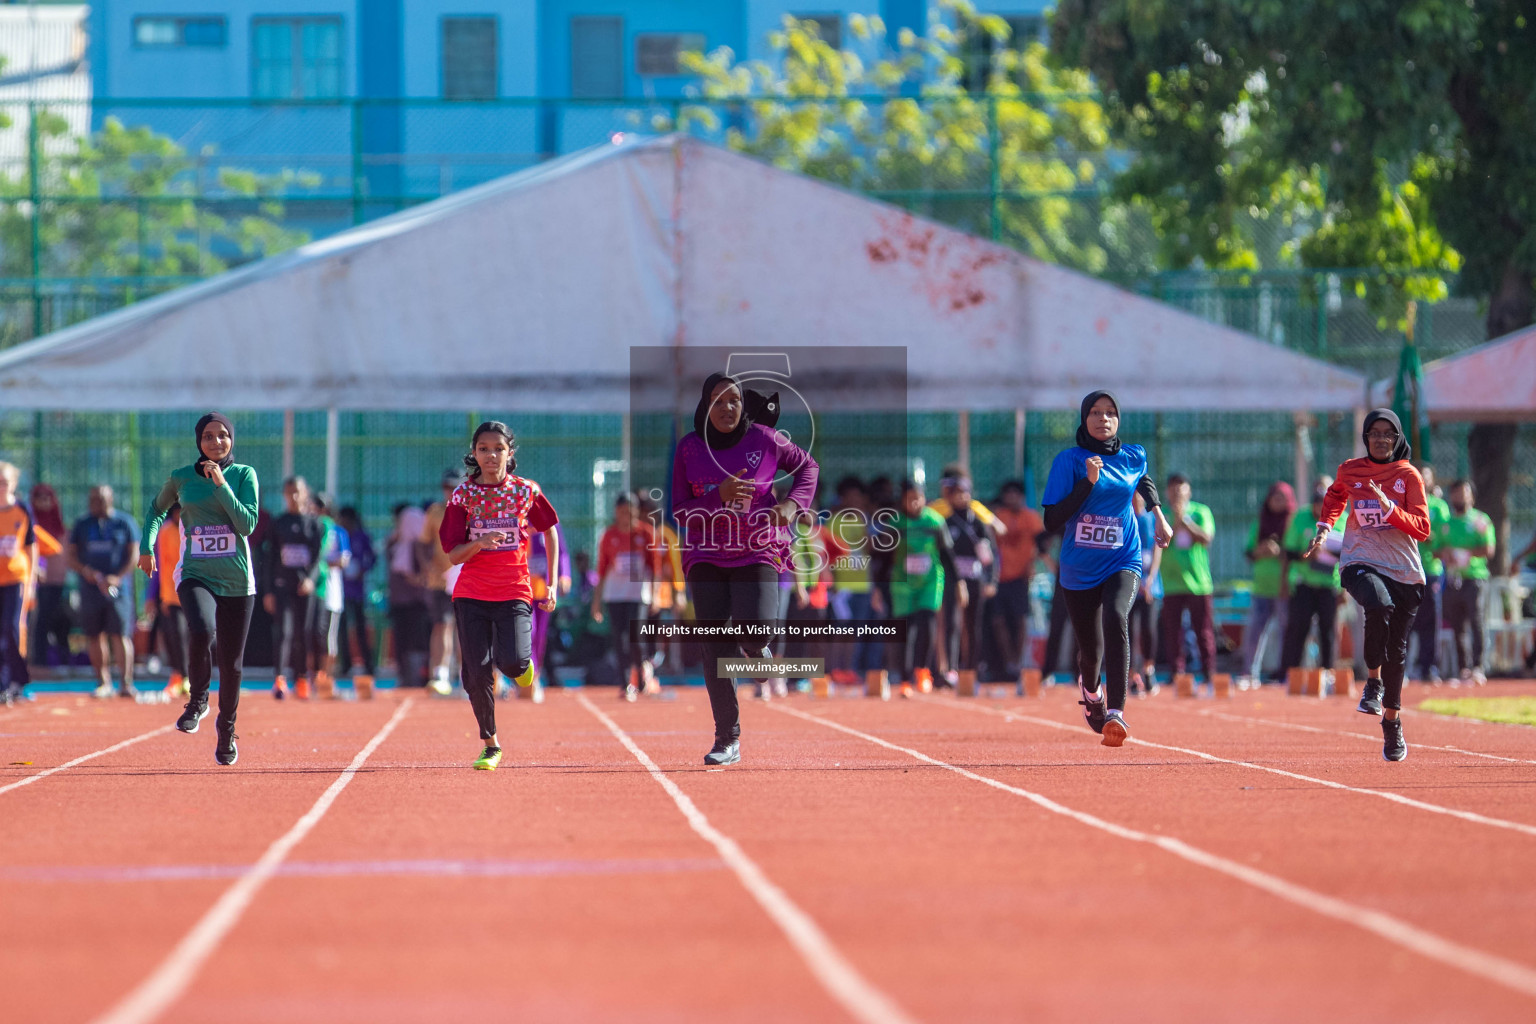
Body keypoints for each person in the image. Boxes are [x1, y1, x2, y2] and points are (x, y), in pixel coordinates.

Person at [671, 372, 819, 766]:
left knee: (756, 630)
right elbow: (679, 510)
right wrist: (716, 497)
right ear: (705, 407)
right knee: (715, 646)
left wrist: (791, 506)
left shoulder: (766, 440)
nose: (726, 408)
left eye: (733, 400)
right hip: (705, 553)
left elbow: (809, 467)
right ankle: (727, 738)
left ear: (743, 405)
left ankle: (757, 648)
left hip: (757, 550)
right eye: (717, 401)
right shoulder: (689, 448)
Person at [1043, 390, 1171, 746]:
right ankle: (1092, 694)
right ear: (1084, 419)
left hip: (1122, 558)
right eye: (1096, 413)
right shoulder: (1068, 461)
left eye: (1110, 413)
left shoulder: (1133, 455)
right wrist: (1087, 484)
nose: (1103, 419)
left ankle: (1116, 711)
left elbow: (1143, 479)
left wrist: (1159, 515)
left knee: (1116, 617)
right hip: (1078, 568)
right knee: (1090, 652)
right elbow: (1052, 521)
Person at [1302, 409, 1430, 762]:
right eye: (1374, 432)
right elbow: (1335, 496)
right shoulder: (1350, 469)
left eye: (1388, 433)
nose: (1380, 438)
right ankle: (1372, 682)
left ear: (1397, 439)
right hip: (1360, 560)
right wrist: (1326, 526)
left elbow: (1422, 528)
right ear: (1365, 437)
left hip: (1404, 571)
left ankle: (1392, 721)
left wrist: (1389, 509)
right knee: (1377, 604)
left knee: (1397, 653)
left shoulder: (1408, 475)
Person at [139, 413, 259, 766]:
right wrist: (147, 547)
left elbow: (246, 524)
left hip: (237, 580)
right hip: (195, 573)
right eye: (208, 436)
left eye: (223, 436)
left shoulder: (243, 474)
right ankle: (198, 700)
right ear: (198, 441)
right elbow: (155, 510)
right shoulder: (181, 478)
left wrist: (221, 485)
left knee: (233, 665)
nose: (216, 442)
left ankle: (227, 728)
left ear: (231, 440)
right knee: (202, 629)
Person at [438, 421, 559, 770]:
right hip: (472, 593)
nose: (491, 455)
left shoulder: (526, 491)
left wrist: (550, 583)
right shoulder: (462, 496)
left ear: (510, 452)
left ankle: (523, 667)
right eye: (484, 449)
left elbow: (550, 531)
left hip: (514, 592)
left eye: (498, 448)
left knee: (513, 663)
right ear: (474, 454)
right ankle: (490, 744)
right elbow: (453, 554)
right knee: (475, 674)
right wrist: (478, 543)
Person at [874, 480, 959, 697]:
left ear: (924, 498)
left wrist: (960, 584)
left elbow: (948, 556)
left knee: (927, 625)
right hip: (902, 585)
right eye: (910, 498)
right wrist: (877, 589)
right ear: (903, 501)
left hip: (930, 581)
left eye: (918, 498)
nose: (915, 502)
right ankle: (904, 679)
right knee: (905, 632)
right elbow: (883, 560)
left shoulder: (935, 521)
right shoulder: (895, 524)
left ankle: (923, 672)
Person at [68, 485, 141, 700]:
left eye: (99, 499)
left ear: (110, 499)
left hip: (119, 589)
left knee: (120, 634)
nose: (95, 503)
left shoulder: (125, 522)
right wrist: (86, 571)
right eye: (92, 499)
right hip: (90, 589)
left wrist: (117, 577)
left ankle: (126, 683)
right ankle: (103, 682)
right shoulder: (82, 524)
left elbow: (134, 554)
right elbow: (71, 556)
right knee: (94, 634)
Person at [591, 492, 662, 702]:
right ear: (616, 512)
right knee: (619, 640)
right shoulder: (609, 535)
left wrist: (656, 595)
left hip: (638, 595)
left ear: (636, 511)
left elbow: (655, 569)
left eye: (630, 511)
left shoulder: (646, 533)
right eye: (622, 511)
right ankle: (625, 684)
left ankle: (640, 675)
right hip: (615, 596)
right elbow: (602, 572)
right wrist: (596, 603)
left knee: (636, 638)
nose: (626, 515)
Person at [933, 473, 1001, 686]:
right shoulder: (945, 522)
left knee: (974, 625)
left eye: (965, 493)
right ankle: (950, 670)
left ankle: (971, 669)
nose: (961, 497)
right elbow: (942, 553)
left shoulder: (977, 522)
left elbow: (991, 553)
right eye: (957, 493)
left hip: (975, 578)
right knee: (952, 624)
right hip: (952, 579)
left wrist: (991, 581)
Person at [263, 477, 322, 700]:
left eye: (297, 492)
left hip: (304, 588)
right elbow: (269, 558)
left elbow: (318, 558)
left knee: (303, 633)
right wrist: (268, 590)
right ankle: (280, 679)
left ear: (305, 494)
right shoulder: (279, 523)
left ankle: (302, 679)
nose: (294, 497)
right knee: (284, 631)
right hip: (281, 585)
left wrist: (310, 580)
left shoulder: (314, 524)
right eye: (289, 493)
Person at [1279, 484, 1344, 679]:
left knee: (1328, 631)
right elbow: (1289, 552)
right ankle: (1290, 673)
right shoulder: (1300, 518)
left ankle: (1328, 673)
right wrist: (1308, 555)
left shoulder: (1342, 519)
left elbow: (1349, 553)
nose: (1320, 508)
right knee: (1297, 629)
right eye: (1318, 504)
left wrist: (1344, 589)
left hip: (1329, 585)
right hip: (1304, 583)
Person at [1160, 472, 1218, 686]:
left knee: (1203, 631)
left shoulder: (1201, 512)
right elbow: (1161, 540)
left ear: (1189, 491)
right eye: (1173, 489)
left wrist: (1185, 520)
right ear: (1167, 492)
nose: (1177, 493)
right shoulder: (1162, 514)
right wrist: (1174, 521)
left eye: (1181, 488)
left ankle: (1209, 673)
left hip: (1199, 583)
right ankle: (1177, 673)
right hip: (1171, 583)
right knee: (1173, 633)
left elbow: (1206, 538)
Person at [1438, 479, 1495, 685]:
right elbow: (1436, 549)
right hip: (1453, 580)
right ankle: (1464, 668)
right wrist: (1445, 554)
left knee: (1477, 621)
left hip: (1475, 579)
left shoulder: (1481, 520)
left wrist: (1466, 554)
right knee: (1457, 625)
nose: (1460, 497)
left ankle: (1479, 666)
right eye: (1456, 493)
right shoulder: (1447, 524)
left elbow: (1489, 550)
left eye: (1464, 493)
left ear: (1471, 495)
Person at [1240, 482, 1295, 685]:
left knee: (1285, 634)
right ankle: (1249, 673)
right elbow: (1248, 552)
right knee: (1254, 632)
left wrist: (1279, 552)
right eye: (1274, 497)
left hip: (1283, 587)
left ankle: (1284, 673)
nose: (1277, 501)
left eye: (1282, 497)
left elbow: (1294, 553)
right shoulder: (1260, 522)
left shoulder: (1292, 522)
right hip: (1261, 587)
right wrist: (1261, 550)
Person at [990, 480, 1044, 679]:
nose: (1011, 497)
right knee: (998, 621)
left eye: (1015, 494)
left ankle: (1019, 662)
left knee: (1020, 620)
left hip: (1020, 577)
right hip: (999, 578)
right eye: (1008, 494)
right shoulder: (998, 516)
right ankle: (1008, 661)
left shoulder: (1030, 517)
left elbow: (1040, 542)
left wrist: (1032, 565)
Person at [421, 468, 464, 695]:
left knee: (465, 629)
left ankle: (466, 675)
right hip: (440, 580)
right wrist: (427, 565)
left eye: (454, 486)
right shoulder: (435, 511)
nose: (450, 491)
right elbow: (423, 542)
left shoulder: (470, 510)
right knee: (442, 626)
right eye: (447, 487)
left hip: (466, 580)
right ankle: (440, 673)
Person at [0, 463, 38, 705]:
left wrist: (31, 579)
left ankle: (17, 680)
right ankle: (2, 685)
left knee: (12, 628)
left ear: (13, 483)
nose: (1, 487)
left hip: (15, 579)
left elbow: (31, 546)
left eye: (4, 482)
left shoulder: (22, 510)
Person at [1409, 464, 1450, 683]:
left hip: (1431, 570)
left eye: (1426, 477)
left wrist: (1424, 533)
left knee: (1431, 620)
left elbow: (1442, 541)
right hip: (1406, 568)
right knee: (1404, 619)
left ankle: (1428, 667)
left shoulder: (1439, 507)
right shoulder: (1405, 502)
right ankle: (1402, 667)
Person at [145, 504, 189, 697]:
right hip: (171, 594)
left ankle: (189, 677)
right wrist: (153, 596)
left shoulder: (194, 529)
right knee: (174, 635)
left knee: (193, 636)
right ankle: (179, 676)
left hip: (193, 591)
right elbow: (160, 566)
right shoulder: (165, 532)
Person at [309, 492, 349, 697]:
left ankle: (326, 677)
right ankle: (312, 676)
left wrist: (321, 562)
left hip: (331, 589)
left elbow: (343, 560)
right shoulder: (309, 528)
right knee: (312, 633)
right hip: (313, 589)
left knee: (328, 637)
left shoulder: (337, 531)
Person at [26, 483, 70, 667]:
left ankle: (64, 662)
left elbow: (62, 553)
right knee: (38, 624)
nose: (43, 501)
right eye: (39, 497)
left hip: (56, 584)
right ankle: (37, 663)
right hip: (34, 585)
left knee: (61, 622)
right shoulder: (29, 524)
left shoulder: (60, 527)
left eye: (47, 497)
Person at [387, 503, 431, 688]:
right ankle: (405, 677)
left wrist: (421, 579)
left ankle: (421, 677)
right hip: (401, 603)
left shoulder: (423, 545)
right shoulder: (396, 543)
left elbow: (427, 572)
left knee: (420, 642)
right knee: (403, 642)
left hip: (420, 603)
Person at [336, 506, 378, 695]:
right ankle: (345, 665)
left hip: (358, 590)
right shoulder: (339, 535)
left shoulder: (362, 536)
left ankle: (369, 665)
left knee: (361, 628)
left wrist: (363, 569)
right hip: (342, 590)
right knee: (342, 628)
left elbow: (373, 557)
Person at [526, 521, 571, 688]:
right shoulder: (517, 516)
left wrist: (564, 576)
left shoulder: (548, 521)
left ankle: (535, 675)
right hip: (522, 589)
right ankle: (527, 675)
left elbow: (562, 552)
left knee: (540, 635)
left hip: (543, 590)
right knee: (529, 631)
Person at [1129, 492, 1163, 694]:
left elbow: (1157, 548)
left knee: (1149, 629)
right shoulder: (1126, 519)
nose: (1136, 500)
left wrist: (1149, 580)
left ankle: (1149, 669)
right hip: (1129, 584)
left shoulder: (1151, 519)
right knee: (1128, 632)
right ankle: (1132, 675)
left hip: (1151, 587)